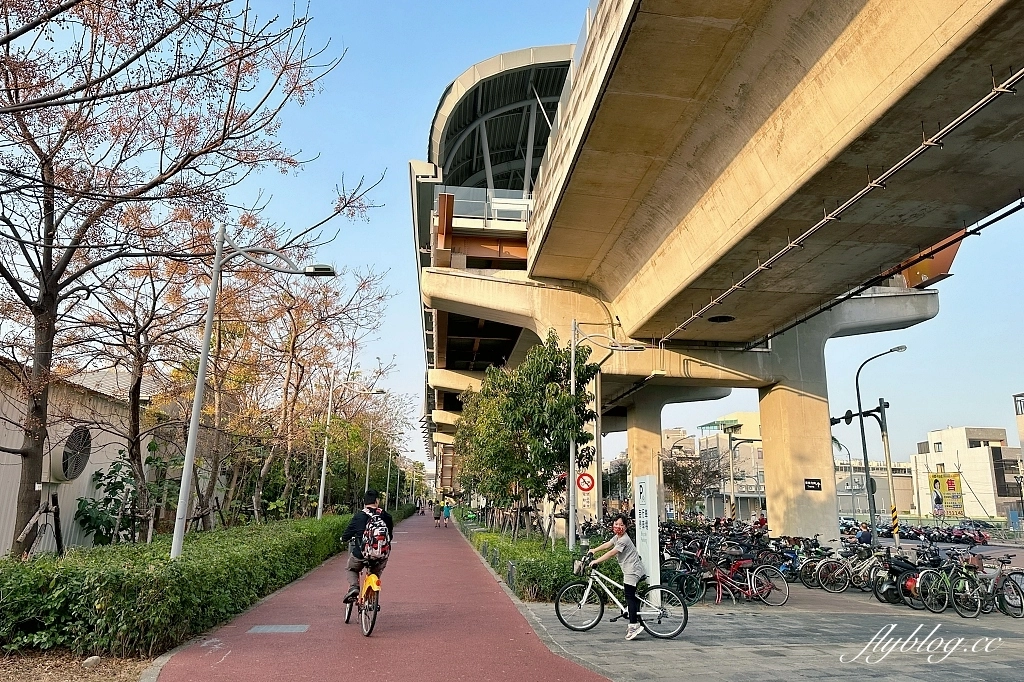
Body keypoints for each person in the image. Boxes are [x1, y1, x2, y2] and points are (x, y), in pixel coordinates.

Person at [587, 514, 646, 640]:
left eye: (621, 524)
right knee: (630, 595)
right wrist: (594, 550)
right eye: (616, 524)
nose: (618, 526)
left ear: (625, 527)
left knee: (629, 596)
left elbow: (612, 552)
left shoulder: (624, 539)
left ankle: (634, 625)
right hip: (630, 569)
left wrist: (597, 561)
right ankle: (634, 615)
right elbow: (608, 544)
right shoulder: (618, 537)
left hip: (632, 570)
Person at [341, 489, 394, 604]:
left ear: (364, 502)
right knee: (376, 571)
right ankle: (371, 597)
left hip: (360, 554)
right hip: (380, 556)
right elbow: (390, 536)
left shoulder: (359, 516)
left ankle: (354, 587)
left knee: (351, 568)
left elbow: (347, 534)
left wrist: (343, 539)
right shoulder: (386, 516)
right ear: (377, 501)